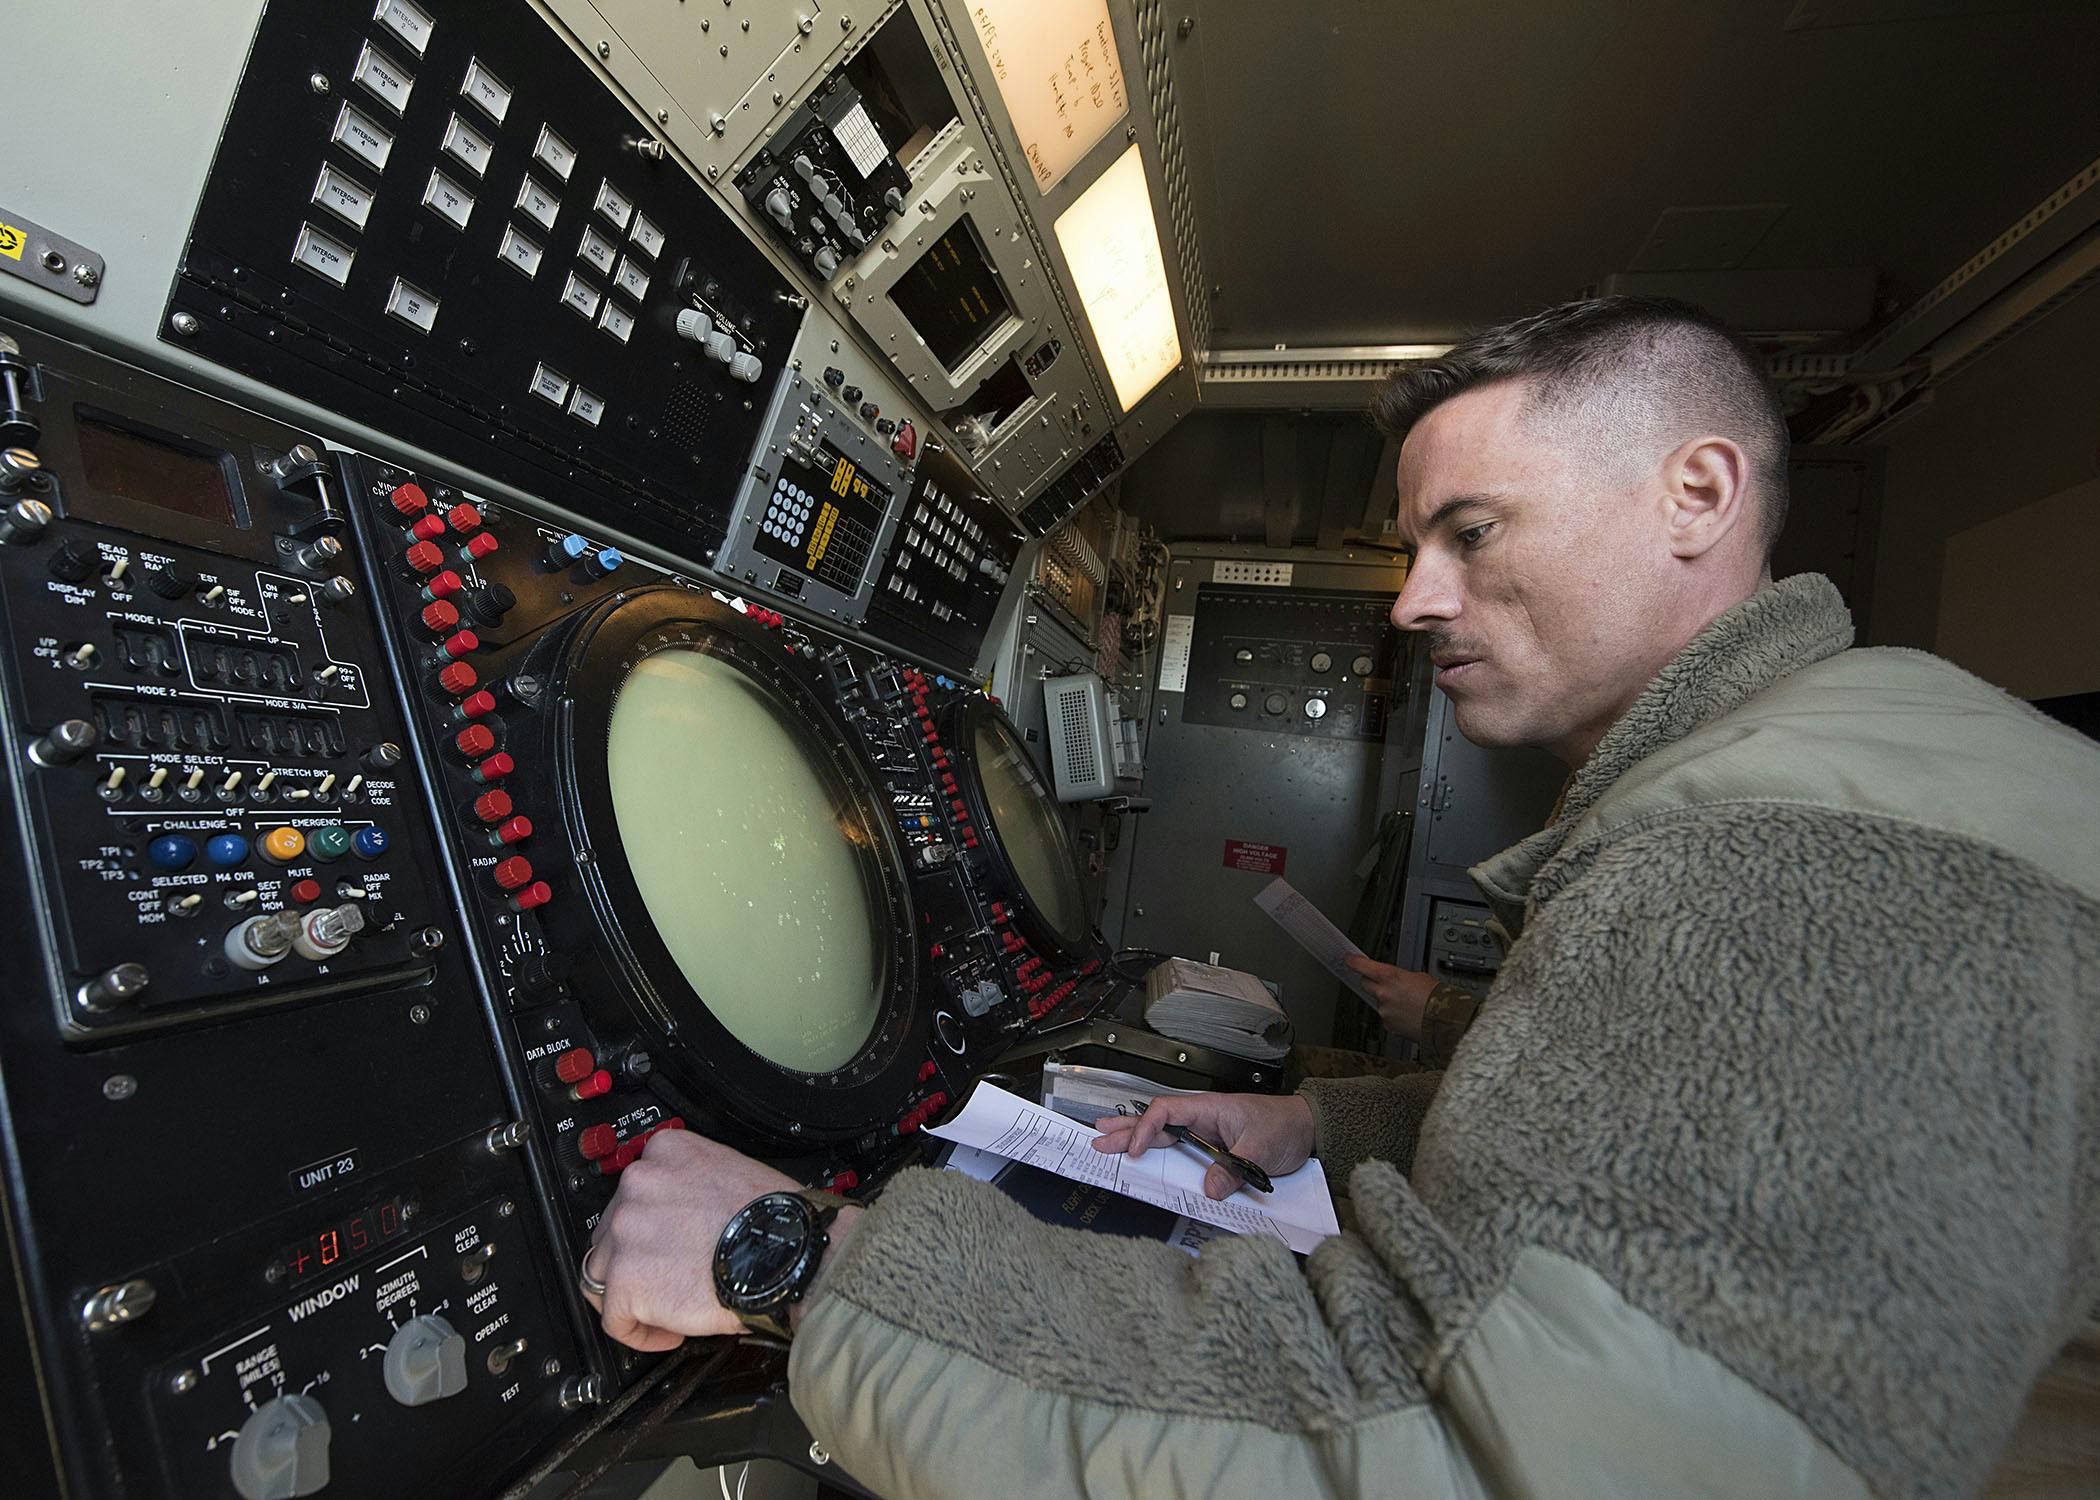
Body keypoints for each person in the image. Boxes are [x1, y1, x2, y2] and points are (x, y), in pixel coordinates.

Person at [581, 296, 2100, 1498]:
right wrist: (1338, 1121)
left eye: (1472, 533)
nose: (1415, 597)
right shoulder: (1846, 771)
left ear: (1694, 493)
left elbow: (1478, 1460)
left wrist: (796, 1259)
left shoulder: (1802, 865)